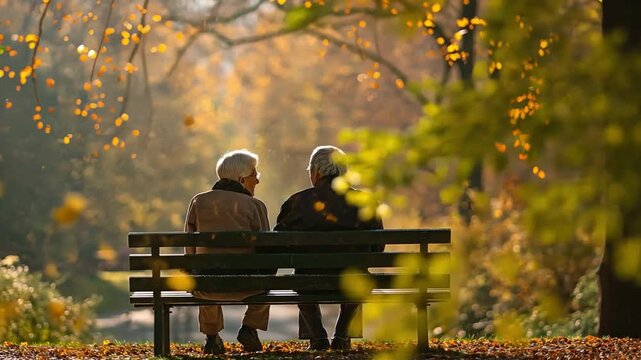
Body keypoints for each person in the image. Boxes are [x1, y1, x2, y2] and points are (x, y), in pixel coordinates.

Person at [274, 145, 384, 351]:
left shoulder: (297, 201)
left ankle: (317, 337)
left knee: (302, 277)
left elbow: (279, 245)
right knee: (358, 274)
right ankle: (342, 337)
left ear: (316, 172)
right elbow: (377, 249)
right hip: (351, 281)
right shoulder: (365, 201)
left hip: (309, 281)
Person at [184, 149, 269, 355]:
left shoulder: (199, 201)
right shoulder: (255, 205)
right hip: (248, 285)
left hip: (208, 286)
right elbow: (267, 250)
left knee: (203, 272)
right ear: (241, 179)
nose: (257, 181)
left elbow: (190, 248)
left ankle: (212, 338)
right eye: (254, 176)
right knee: (267, 278)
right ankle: (249, 328)